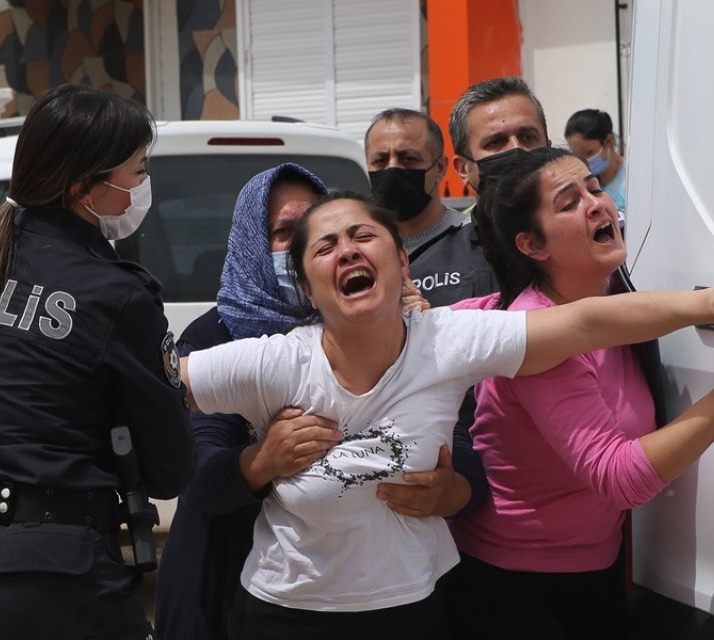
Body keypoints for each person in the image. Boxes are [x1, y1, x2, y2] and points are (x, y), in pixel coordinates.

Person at [180, 191, 714, 639]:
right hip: (282, 614)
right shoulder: (271, 362)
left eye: (363, 236)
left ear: (402, 260)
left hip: (412, 610)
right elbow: (161, 390)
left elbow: (586, 322)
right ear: (307, 288)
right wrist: (255, 461)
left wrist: (711, 303)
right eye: (325, 247)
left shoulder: (449, 340)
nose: (348, 252)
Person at [0, 84, 195, 639]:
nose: (143, 186)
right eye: (137, 170)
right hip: (49, 579)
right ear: (84, 188)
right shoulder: (115, 293)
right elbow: (169, 467)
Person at [446, 147, 714, 639]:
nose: (596, 204)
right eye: (568, 201)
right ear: (532, 245)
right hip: (514, 589)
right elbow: (620, 478)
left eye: (594, 189)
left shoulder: (617, 299)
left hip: (595, 570)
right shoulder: (536, 337)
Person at [155, 163, 484, 639]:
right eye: (284, 231)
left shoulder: (394, 326)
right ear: (252, 242)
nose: (307, 241)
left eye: (314, 224)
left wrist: (454, 489)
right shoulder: (217, 336)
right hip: (242, 580)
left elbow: (463, 439)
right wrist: (261, 460)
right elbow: (197, 476)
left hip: (382, 592)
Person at [365, 108, 494, 306]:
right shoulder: (359, 252)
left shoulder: (478, 241)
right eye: (380, 160)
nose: (392, 169)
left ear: (440, 168)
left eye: (408, 158)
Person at [565, 108, 627, 211]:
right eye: (578, 156)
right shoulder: (586, 185)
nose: (585, 161)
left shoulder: (633, 178)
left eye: (589, 152)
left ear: (608, 140)